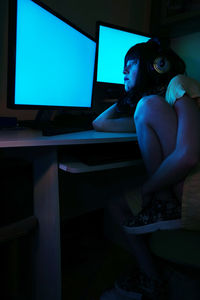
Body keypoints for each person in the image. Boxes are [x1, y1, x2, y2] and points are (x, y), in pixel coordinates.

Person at [92, 38, 200, 299]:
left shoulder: (178, 85)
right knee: (116, 205)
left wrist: (148, 189)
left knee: (147, 105)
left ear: (156, 66)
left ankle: (163, 204)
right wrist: (128, 99)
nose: (123, 72)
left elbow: (188, 157)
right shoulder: (154, 109)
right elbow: (100, 123)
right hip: (177, 191)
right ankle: (153, 280)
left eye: (130, 65)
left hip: (193, 190)